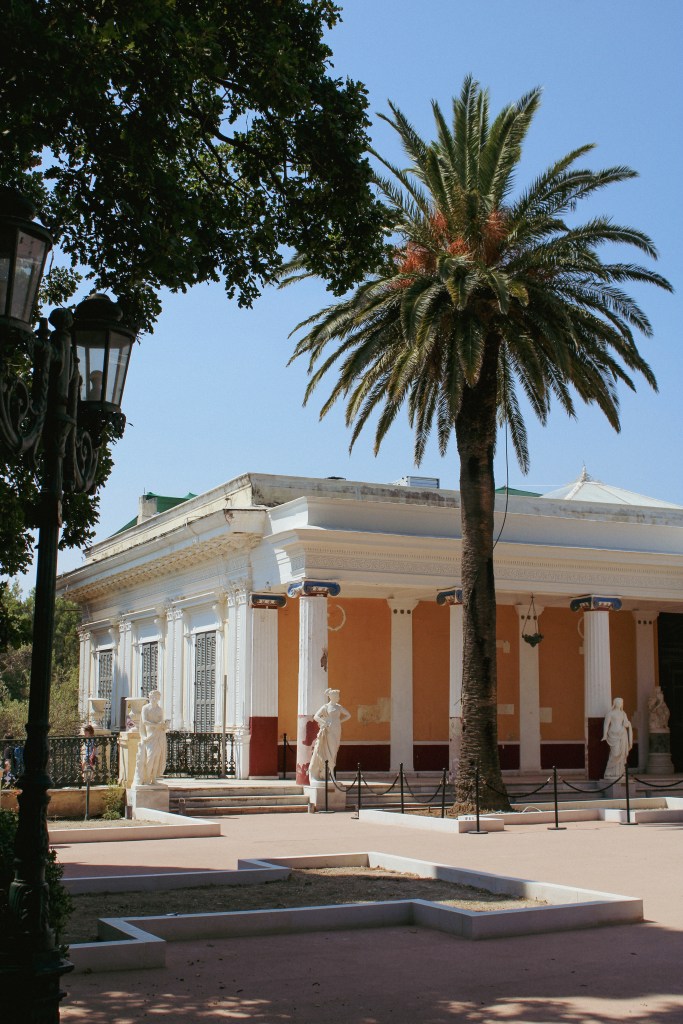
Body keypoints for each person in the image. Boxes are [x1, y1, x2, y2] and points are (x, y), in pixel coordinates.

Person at [308, 688, 351, 783]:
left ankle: (331, 772)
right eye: (336, 696)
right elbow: (316, 716)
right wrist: (324, 722)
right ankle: (329, 772)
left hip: (337, 729)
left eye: (338, 696)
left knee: (334, 750)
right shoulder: (326, 707)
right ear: (331, 697)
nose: (338, 698)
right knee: (329, 750)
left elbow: (348, 715)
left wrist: (339, 721)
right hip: (328, 729)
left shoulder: (339, 707)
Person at [134, 690, 168, 785]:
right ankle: (147, 778)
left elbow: (161, 722)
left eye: (156, 698)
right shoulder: (145, 708)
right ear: (149, 697)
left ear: (158, 699)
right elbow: (144, 721)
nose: (154, 699)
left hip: (159, 735)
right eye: (153, 697)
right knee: (150, 758)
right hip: (149, 736)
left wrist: (163, 725)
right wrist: (156, 725)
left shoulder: (159, 709)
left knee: (157, 758)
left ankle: (154, 778)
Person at [602, 697, 633, 779]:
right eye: (618, 702)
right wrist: (605, 735)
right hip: (613, 734)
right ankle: (609, 771)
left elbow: (625, 723)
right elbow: (606, 725)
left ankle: (620, 772)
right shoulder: (610, 713)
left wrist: (628, 724)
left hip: (622, 734)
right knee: (614, 754)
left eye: (621, 703)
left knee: (622, 754)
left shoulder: (623, 713)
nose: (620, 704)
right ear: (615, 703)